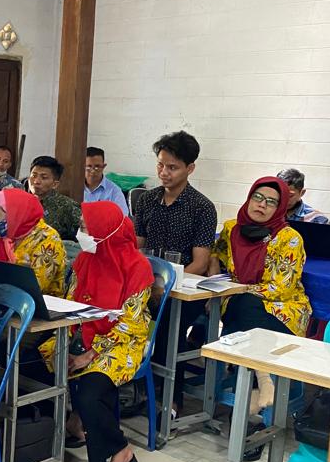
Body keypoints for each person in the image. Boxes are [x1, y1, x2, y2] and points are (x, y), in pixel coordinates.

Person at [38, 201, 153, 462]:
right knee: (34, 364)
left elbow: (130, 323)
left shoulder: (137, 267)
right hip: (83, 332)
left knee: (91, 389)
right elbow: (72, 303)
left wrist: (88, 355)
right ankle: (72, 425)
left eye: (87, 228)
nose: (81, 234)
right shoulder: (86, 259)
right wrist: (67, 342)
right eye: (81, 227)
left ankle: (121, 450)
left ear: (106, 231)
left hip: (122, 341)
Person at [134, 131, 217, 414]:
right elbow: (137, 248)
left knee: (171, 325)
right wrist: (146, 284)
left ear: (190, 168)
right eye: (160, 165)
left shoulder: (202, 207)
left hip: (183, 290)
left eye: (173, 167)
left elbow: (200, 263)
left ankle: (171, 400)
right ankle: (136, 389)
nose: (164, 173)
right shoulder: (147, 200)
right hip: (147, 284)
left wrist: (166, 288)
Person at [211, 177, 312, 408]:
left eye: (271, 202)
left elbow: (281, 288)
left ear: (280, 208)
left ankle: (256, 382)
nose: (262, 204)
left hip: (282, 310)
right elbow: (215, 252)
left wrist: (237, 290)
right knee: (243, 305)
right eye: (257, 197)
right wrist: (215, 271)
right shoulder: (232, 229)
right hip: (239, 302)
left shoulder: (289, 238)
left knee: (245, 305)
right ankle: (260, 382)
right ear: (249, 198)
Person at [0, 187, 67, 297]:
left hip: (41, 301)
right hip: (2, 295)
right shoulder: (1, 236)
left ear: (15, 214)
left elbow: (36, 285)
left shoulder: (48, 239)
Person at [27, 156, 82, 241]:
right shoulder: (21, 202)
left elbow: (85, 234)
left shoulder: (67, 206)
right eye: (34, 176)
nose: (36, 181)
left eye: (44, 177)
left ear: (55, 184)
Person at [83, 146, 129, 216]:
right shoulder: (75, 188)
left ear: (104, 166)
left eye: (97, 166)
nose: (93, 171)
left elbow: (122, 217)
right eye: (89, 166)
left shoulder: (114, 191)